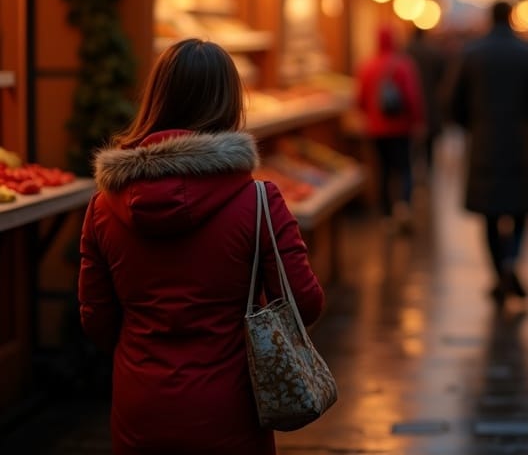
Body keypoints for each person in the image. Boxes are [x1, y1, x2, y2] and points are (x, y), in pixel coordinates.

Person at [79, 38, 325, 455]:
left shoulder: (104, 206)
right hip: (232, 409)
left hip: (140, 406)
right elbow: (305, 302)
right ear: (230, 103)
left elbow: (96, 320)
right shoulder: (259, 201)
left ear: (156, 99)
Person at [450, 0, 528, 305]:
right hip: (520, 143)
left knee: (490, 215)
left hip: (484, 143)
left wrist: (472, 124)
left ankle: (499, 272)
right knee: (520, 210)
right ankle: (512, 261)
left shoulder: (471, 54)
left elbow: (454, 102)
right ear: (511, 18)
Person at [355, 24, 425, 233]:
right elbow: (413, 97)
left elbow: (360, 100)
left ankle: (385, 215)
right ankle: (403, 205)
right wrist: (418, 121)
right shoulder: (404, 64)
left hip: (375, 128)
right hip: (401, 127)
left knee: (383, 170)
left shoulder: (367, 65)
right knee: (404, 167)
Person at [405, 26, 449, 177]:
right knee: (429, 144)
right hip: (430, 104)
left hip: (408, 108)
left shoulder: (405, 52)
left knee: (411, 146)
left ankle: (414, 176)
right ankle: (428, 172)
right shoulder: (433, 52)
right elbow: (444, 79)